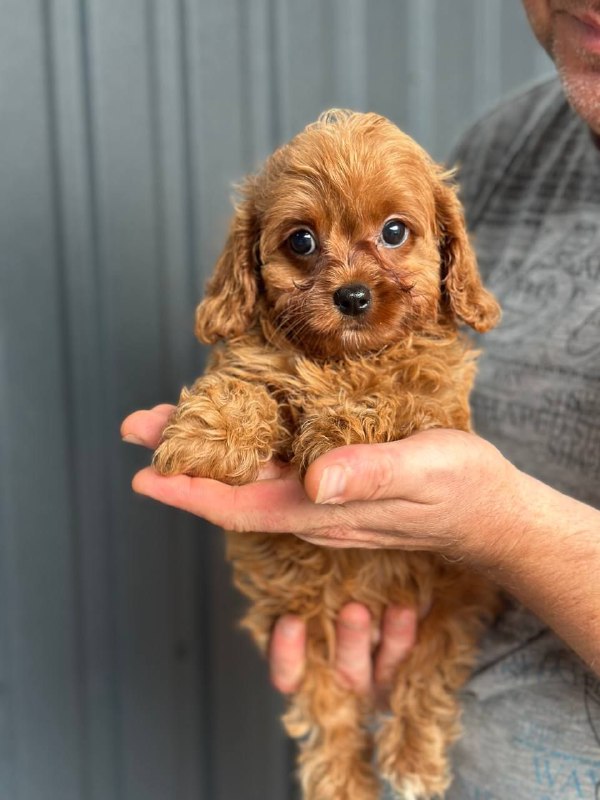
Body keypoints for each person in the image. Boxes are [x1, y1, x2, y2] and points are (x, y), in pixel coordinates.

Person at [122, 1, 600, 796]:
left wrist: (500, 526)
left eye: (392, 235)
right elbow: (242, 397)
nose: (348, 280)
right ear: (248, 263)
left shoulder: (430, 353)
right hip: (387, 684)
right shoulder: (508, 145)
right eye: (302, 243)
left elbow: (429, 443)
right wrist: (232, 419)